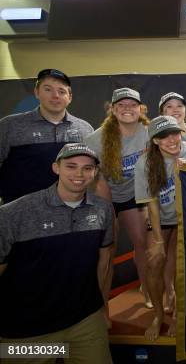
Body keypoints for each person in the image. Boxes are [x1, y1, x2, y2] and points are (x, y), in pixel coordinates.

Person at [0, 143, 113, 364]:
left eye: (87, 168)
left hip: (84, 325)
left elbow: (105, 260)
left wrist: (100, 308)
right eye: (71, 166)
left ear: (95, 172)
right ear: (56, 168)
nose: (79, 174)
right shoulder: (13, 214)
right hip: (25, 334)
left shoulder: (103, 209)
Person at [85, 87, 151, 307]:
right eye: (121, 105)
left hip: (134, 194)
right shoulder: (96, 138)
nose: (127, 109)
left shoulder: (149, 131)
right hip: (105, 193)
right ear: (112, 109)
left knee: (142, 242)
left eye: (132, 105)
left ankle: (148, 290)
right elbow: (94, 176)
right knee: (107, 249)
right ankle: (101, 306)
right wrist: (107, 206)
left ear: (140, 108)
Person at [0, 69, 93, 204]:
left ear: (70, 97)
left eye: (62, 91)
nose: (55, 96)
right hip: (21, 213)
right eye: (48, 89)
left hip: (72, 212)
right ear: (37, 92)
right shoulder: (9, 126)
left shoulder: (85, 129)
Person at [135, 116, 184, 340]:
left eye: (174, 133)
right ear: (155, 141)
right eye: (164, 136)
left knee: (180, 265)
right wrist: (158, 241)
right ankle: (157, 314)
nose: (171, 140)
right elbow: (152, 203)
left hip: (185, 219)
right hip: (160, 218)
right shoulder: (145, 163)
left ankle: (177, 314)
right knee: (155, 262)